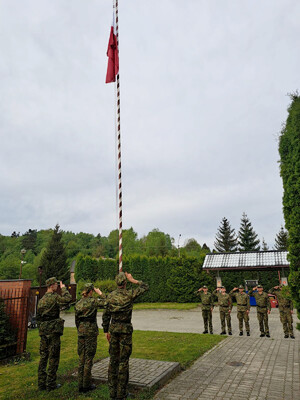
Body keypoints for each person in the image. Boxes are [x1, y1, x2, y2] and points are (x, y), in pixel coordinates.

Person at [102, 272, 149, 400]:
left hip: (114, 329)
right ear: (125, 283)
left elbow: (106, 315)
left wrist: (106, 330)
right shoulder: (129, 295)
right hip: (125, 331)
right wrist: (133, 280)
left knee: (113, 360)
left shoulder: (110, 297)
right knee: (123, 362)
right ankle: (121, 393)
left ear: (116, 282)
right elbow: (145, 286)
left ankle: (113, 393)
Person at [37, 277, 72, 391]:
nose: (57, 286)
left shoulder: (41, 300)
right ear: (51, 286)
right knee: (53, 357)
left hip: (43, 331)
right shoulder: (55, 298)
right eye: (56, 284)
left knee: (43, 357)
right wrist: (64, 289)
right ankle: (51, 384)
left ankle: (41, 383)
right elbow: (68, 299)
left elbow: (38, 317)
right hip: (53, 331)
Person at [75, 283, 106, 393]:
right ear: (91, 291)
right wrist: (100, 293)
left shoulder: (78, 303)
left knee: (81, 358)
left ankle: (80, 384)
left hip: (81, 331)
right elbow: (106, 302)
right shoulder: (93, 301)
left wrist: (80, 329)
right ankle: (86, 385)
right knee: (88, 358)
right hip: (91, 331)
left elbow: (77, 320)